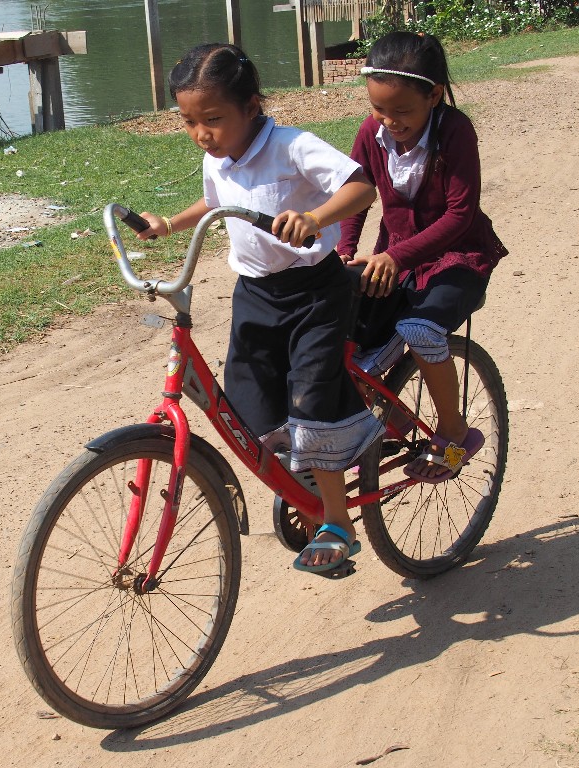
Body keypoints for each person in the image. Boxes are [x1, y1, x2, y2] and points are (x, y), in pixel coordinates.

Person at [135, 43, 382, 575]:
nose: (202, 133)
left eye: (213, 119)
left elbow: (361, 186)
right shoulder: (215, 157)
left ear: (250, 107)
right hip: (256, 294)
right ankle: (308, 477)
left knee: (312, 397)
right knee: (246, 401)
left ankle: (337, 519)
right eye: (189, 121)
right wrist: (170, 224)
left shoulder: (292, 147)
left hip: (315, 290)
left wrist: (315, 217)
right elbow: (216, 200)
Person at [339, 31, 508, 483]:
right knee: (338, 339)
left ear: (433, 95)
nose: (389, 121)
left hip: (458, 258)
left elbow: (460, 214)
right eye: (379, 109)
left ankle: (455, 434)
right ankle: (388, 430)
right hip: (395, 261)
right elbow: (356, 195)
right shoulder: (371, 134)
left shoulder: (454, 131)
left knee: (420, 329)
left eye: (402, 111)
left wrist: (396, 255)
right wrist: (344, 252)